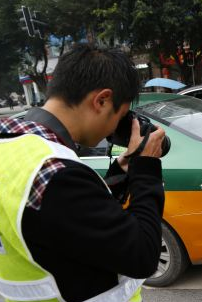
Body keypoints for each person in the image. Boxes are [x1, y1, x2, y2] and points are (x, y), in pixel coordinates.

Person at [0, 44, 166, 302]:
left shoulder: (14, 148)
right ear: (102, 100)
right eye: (119, 116)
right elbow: (142, 256)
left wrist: (122, 169)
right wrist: (146, 168)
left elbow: (76, 220)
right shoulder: (57, 175)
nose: (113, 129)